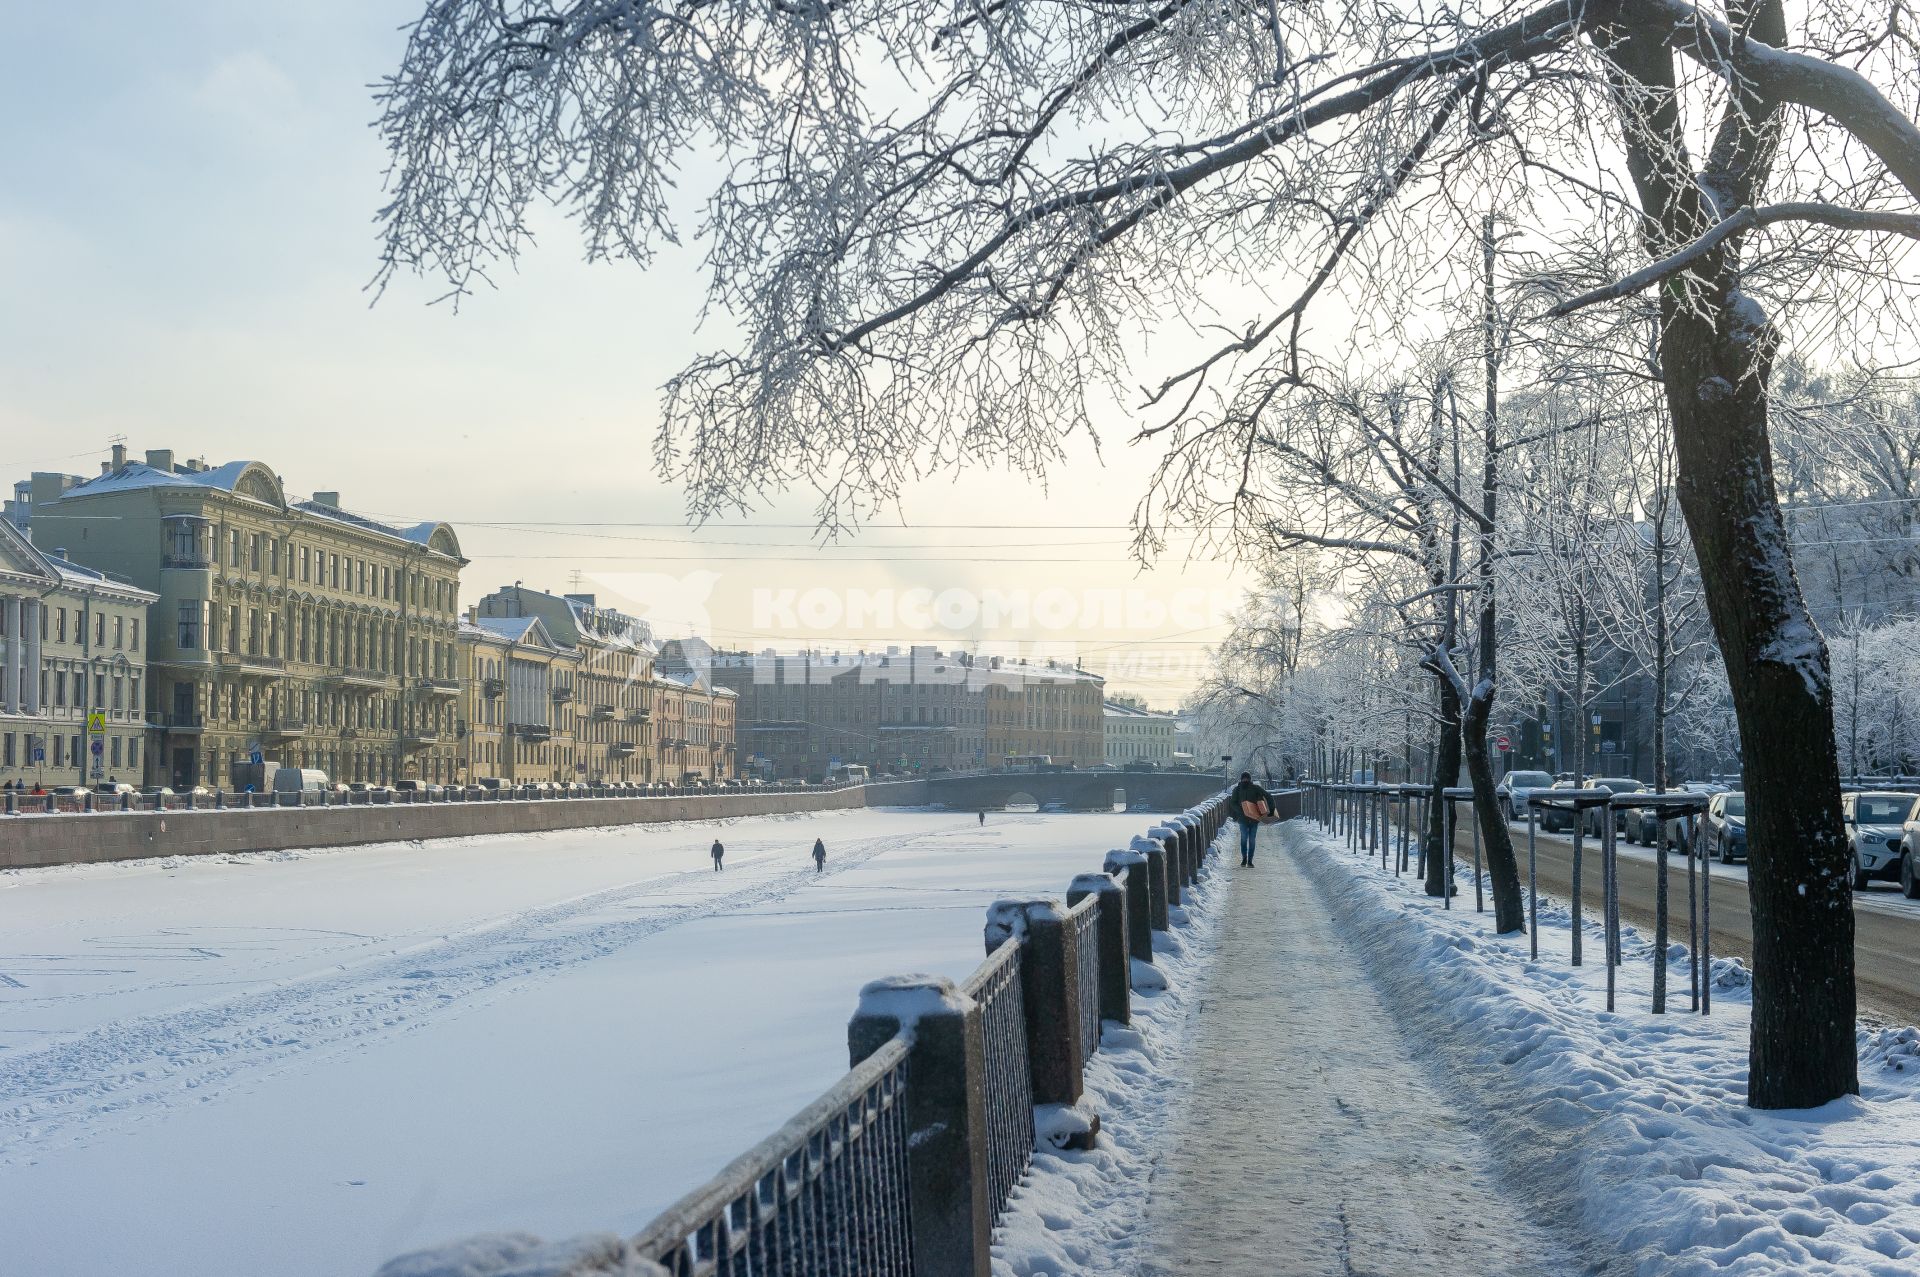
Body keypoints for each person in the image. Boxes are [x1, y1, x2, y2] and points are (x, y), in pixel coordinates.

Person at [1230, 771, 1272, 867]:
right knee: (1244, 839)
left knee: (1252, 840)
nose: (1245, 780)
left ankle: (1250, 860)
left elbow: (1265, 796)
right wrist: (1241, 810)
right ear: (1241, 779)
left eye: (1247, 778)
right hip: (1243, 819)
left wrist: (1264, 806)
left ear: (1250, 779)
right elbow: (1233, 802)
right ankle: (1244, 858)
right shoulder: (1237, 789)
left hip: (1254, 818)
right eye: (1244, 778)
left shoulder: (1255, 788)